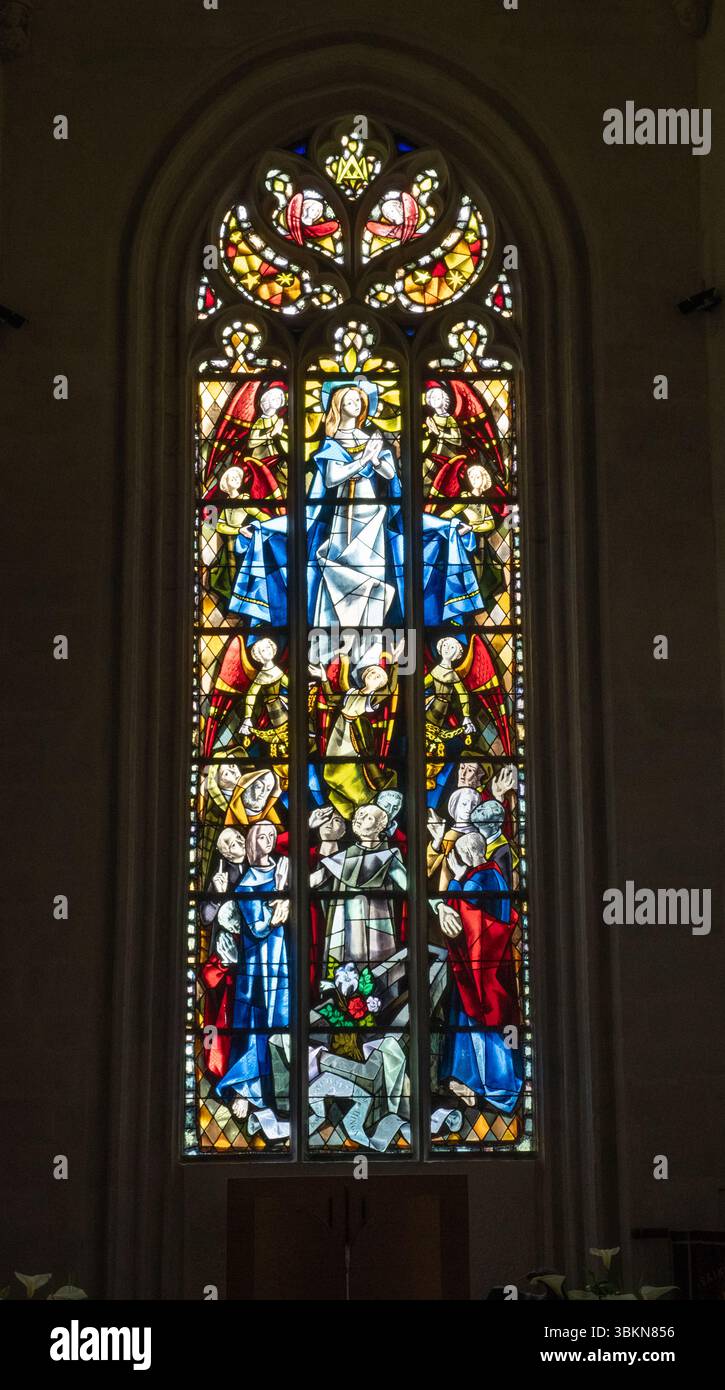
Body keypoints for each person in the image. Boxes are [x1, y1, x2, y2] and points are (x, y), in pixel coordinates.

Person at [433, 831, 522, 1113]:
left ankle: (494, 1087)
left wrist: (456, 879)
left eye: (459, 855)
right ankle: (480, 1082)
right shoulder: (494, 875)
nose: (458, 860)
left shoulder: (480, 877)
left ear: (470, 854)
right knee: (483, 1019)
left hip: (480, 966)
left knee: (480, 1020)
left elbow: (464, 913)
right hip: (486, 964)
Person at [213, 821, 290, 1120]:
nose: (268, 841)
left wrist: (287, 900)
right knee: (257, 1021)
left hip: (282, 959)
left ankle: (281, 1088)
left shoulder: (285, 870)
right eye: (262, 836)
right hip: (257, 965)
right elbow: (257, 928)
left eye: (272, 836)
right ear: (251, 842)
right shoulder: (246, 883)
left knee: (281, 1019)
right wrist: (280, 907)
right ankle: (246, 1087)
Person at [310, 803, 406, 968]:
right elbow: (313, 881)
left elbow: (411, 887)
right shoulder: (342, 858)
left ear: (380, 825)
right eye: (359, 816)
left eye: (368, 817)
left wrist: (439, 906)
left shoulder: (389, 857)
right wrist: (283, 891)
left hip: (378, 928)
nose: (360, 820)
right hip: (347, 930)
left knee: (379, 971)